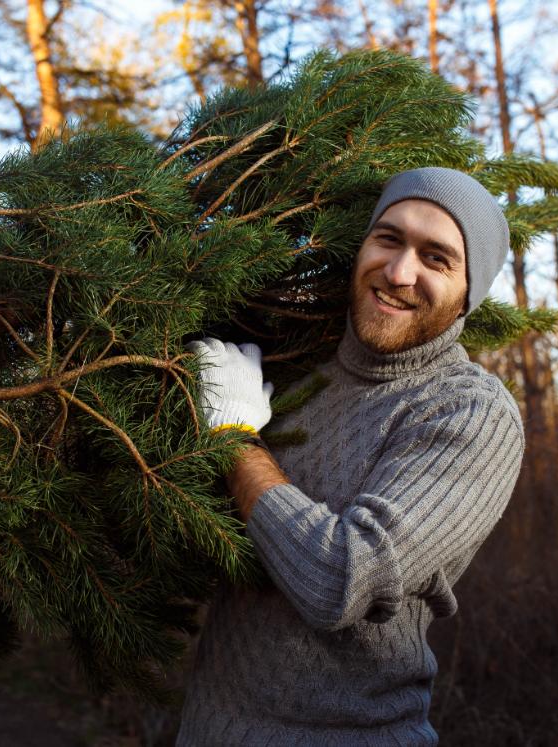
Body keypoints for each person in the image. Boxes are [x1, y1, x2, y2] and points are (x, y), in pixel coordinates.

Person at [178, 167, 525, 746]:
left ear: (469, 293)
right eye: (388, 238)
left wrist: (236, 438)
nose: (398, 272)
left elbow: (342, 578)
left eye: (436, 259)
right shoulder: (293, 367)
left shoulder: (469, 412)